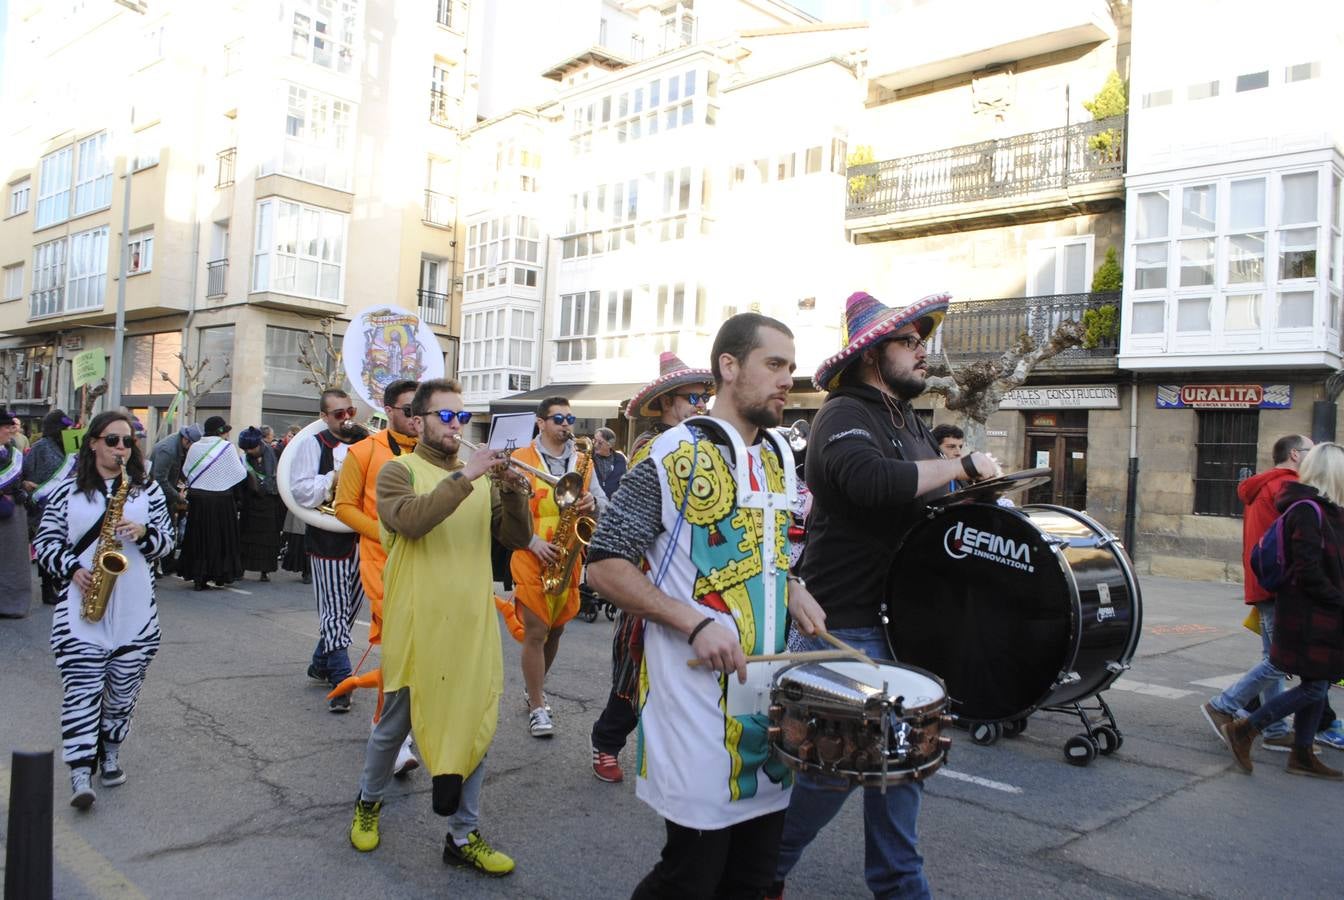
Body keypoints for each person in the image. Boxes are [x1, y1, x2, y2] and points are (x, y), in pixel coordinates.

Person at [771, 291, 1002, 900]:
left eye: (921, 340)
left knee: (900, 766)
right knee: (832, 771)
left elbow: (931, 504)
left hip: (901, 625)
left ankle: (897, 885)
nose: (923, 350)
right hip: (844, 622)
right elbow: (873, 483)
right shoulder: (844, 413)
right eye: (910, 341)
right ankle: (763, 869)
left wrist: (982, 493)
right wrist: (959, 469)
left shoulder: (910, 422)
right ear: (875, 354)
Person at [586, 313, 826, 898]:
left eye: (790, 368)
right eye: (773, 364)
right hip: (694, 708)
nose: (786, 380)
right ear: (728, 366)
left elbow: (768, 551)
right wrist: (693, 622)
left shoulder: (778, 456)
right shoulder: (673, 453)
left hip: (767, 706)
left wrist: (791, 586)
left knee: (751, 876)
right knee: (691, 878)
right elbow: (603, 563)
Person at [347, 378, 531, 875]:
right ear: (418, 420)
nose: (455, 426)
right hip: (418, 619)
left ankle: (462, 834)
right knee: (396, 724)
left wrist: (514, 494)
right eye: (445, 417)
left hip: (469, 620)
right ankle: (368, 802)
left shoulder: (479, 478)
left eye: (461, 417)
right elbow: (410, 521)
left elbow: (516, 537)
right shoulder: (397, 472)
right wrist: (468, 476)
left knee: (475, 726)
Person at [33, 411, 175, 809]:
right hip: (82, 612)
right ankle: (81, 770)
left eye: (128, 442)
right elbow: (45, 544)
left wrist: (145, 534)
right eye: (112, 440)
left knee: (121, 695)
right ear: (93, 442)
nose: (121, 449)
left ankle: (110, 750)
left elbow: (168, 543)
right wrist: (73, 569)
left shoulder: (147, 492)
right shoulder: (67, 492)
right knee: (82, 692)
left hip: (134, 612)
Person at [589, 352, 712, 783]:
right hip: (648, 577)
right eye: (692, 397)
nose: (701, 405)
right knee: (633, 672)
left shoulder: (710, 446)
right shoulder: (650, 449)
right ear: (663, 404)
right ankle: (606, 743)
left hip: (696, 581)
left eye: (705, 397)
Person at [1221, 442, 1344, 779]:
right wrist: (1337, 599)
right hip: (1309, 613)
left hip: (1322, 612)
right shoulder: (1306, 509)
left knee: (1319, 682)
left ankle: (1302, 755)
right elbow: (1307, 570)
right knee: (1315, 686)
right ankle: (1246, 728)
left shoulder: (1329, 509)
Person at [1201, 434, 1314, 751]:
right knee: (1280, 660)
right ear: (1295, 454)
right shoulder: (1286, 487)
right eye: (1312, 451)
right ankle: (1223, 704)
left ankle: (1275, 728)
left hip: (1264, 583)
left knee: (1273, 658)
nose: (1315, 457)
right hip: (1280, 585)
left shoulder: (1265, 484)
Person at [334, 378, 421, 775]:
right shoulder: (363, 451)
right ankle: (391, 731)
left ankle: (403, 725)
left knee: (422, 652)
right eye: (408, 410)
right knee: (400, 651)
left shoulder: (437, 453)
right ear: (388, 410)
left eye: (423, 410)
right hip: (383, 564)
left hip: (430, 565)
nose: (417, 419)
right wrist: (384, 532)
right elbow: (343, 507)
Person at [506, 396, 604, 738]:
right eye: (558, 418)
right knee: (536, 632)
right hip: (531, 555)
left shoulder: (583, 461)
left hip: (568, 558)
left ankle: (535, 688)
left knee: (557, 629)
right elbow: (507, 514)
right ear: (541, 422)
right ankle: (537, 705)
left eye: (569, 418)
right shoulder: (520, 459)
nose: (566, 424)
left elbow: (601, 503)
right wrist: (532, 541)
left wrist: (593, 503)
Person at [289, 389, 369, 713]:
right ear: (324, 417)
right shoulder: (313, 444)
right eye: (338, 413)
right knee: (334, 610)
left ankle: (321, 661)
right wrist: (335, 476)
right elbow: (301, 491)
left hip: (362, 536)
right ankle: (341, 679)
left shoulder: (366, 443)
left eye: (349, 410)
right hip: (327, 537)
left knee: (350, 608)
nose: (346, 418)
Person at [176, 416, 246, 591]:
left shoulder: (194, 447)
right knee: (221, 538)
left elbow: (186, 470)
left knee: (199, 537)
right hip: (221, 499)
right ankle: (220, 573)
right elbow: (238, 472)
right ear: (221, 431)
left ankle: (199, 576)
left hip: (199, 500)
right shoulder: (227, 447)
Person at [22, 409, 75, 606]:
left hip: (64, 503)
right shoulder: (40, 447)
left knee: (63, 543)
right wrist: (28, 485)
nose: (67, 431)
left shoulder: (69, 449)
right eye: (64, 428)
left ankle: (58, 581)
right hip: (42, 504)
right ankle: (46, 587)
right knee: (47, 543)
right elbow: (23, 473)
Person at [148, 424, 203, 575]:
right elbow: (160, 479)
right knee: (161, 528)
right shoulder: (168, 450)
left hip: (166, 493)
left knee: (170, 527)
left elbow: (179, 472)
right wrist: (178, 497)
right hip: (157, 495)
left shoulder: (179, 447)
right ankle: (157, 564)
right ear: (186, 440)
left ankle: (167, 564)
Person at [237, 427, 283, 582]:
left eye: (251, 448)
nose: (249, 451)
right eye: (246, 449)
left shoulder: (273, 453)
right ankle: (241, 567)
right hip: (250, 502)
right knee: (246, 537)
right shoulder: (245, 458)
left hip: (269, 501)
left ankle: (265, 570)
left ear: (259, 444)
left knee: (267, 539)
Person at [0, 411, 31, 618]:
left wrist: (22, 488)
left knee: (12, 561)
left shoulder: (11, 452)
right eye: (6, 427)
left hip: (12, 513)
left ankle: (11, 603)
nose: (12, 430)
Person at [591, 427, 628, 500]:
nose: (595, 445)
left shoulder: (620, 459)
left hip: (614, 503)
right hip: (594, 503)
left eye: (600, 443)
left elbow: (624, 482)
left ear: (610, 445)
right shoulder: (589, 458)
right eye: (594, 441)